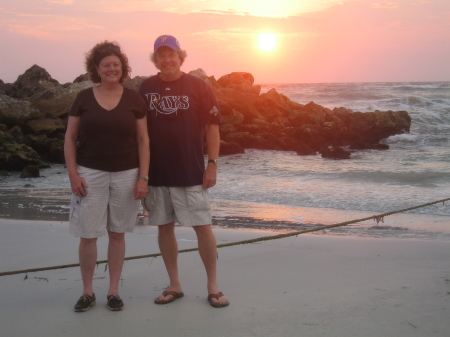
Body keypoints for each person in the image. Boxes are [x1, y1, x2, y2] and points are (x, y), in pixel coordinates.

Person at [139, 35, 229, 308]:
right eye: (161, 55)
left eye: (172, 54)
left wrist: (212, 164)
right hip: (157, 173)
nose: (167, 59)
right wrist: (140, 173)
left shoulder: (198, 86)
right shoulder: (146, 87)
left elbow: (213, 128)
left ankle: (212, 286)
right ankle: (175, 284)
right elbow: (138, 133)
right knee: (164, 227)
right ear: (156, 59)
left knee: (203, 227)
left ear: (181, 57)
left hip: (191, 171)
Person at [64, 41, 149, 312]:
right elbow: (70, 138)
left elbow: (143, 140)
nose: (112, 69)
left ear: (122, 68)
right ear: (96, 69)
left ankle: (113, 291)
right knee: (88, 235)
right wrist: (73, 175)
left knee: (117, 234)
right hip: (91, 174)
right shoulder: (84, 98)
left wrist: (143, 177)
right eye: (106, 65)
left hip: (127, 174)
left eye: (116, 64)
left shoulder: (134, 98)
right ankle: (88, 292)